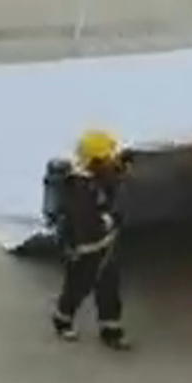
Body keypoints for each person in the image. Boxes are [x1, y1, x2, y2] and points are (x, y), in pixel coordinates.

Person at [49, 129, 133, 349]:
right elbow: (87, 224)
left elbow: (113, 186)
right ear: (95, 161)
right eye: (108, 156)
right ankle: (62, 319)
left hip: (104, 245)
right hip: (85, 249)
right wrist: (110, 220)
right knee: (78, 286)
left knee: (109, 286)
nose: (112, 159)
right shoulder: (78, 188)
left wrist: (121, 170)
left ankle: (111, 329)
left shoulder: (98, 176)